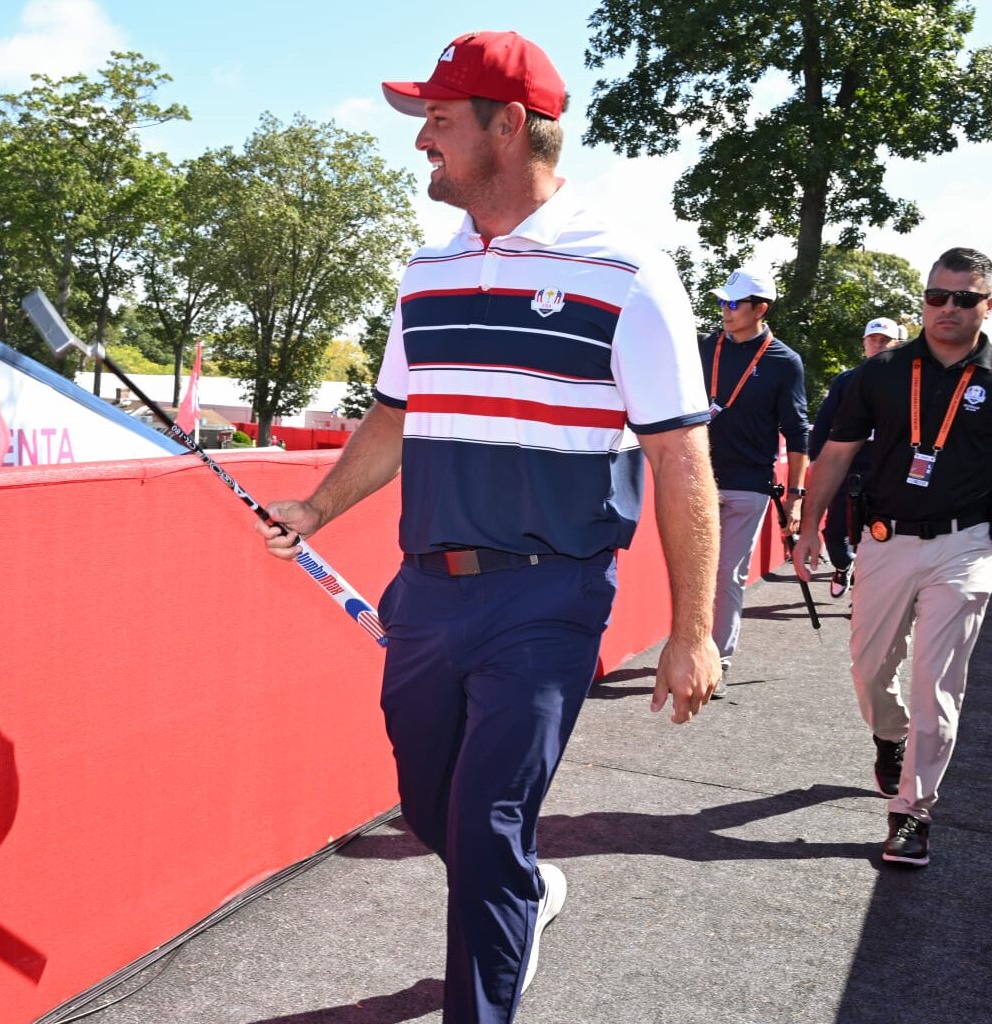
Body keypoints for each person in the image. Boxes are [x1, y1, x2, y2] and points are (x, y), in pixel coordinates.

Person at [254, 30, 722, 1023]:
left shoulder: (628, 275)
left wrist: (691, 630)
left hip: (550, 595)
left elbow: (681, 459)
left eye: (437, 117)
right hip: (425, 593)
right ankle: (529, 893)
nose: (422, 138)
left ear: (507, 127)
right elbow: (394, 415)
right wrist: (316, 506)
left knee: (487, 818)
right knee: (435, 811)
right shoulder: (426, 274)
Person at [794, 247, 992, 868]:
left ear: (987, 305)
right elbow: (835, 454)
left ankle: (912, 811)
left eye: (964, 299)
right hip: (886, 540)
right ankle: (889, 737)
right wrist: (809, 526)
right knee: (868, 669)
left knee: (936, 683)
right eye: (936, 296)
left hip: (965, 544)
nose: (947, 308)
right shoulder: (883, 371)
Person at [698, 268, 809, 694]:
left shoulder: (784, 361)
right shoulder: (706, 347)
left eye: (733, 303)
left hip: (749, 483)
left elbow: (798, 431)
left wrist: (796, 497)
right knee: (696, 570)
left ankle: (717, 662)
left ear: (759, 309)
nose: (724, 311)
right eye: (722, 303)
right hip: (698, 479)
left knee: (726, 573)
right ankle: (691, 648)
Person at [807, 318, 907, 598]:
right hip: (846, 470)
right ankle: (842, 565)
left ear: (896, 344)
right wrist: (816, 460)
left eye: (884, 340)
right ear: (864, 344)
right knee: (836, 531)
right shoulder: (846, 381)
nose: (878, 345)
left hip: (886, 474)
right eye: (872, 339)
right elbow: (824, 423)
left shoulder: (908, 382)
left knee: (880, 534)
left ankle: (866, 592)